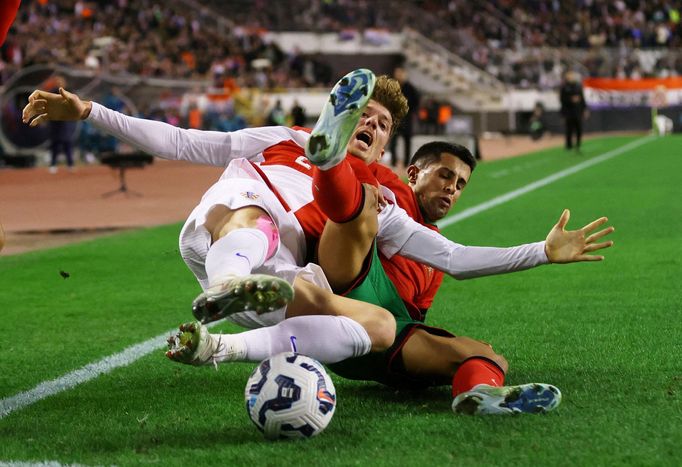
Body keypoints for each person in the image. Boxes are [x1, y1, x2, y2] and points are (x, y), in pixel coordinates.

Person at [23, 70, 613, 415]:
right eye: (365, 114)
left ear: (385, 148)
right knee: (261, 218)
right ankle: (234, 279)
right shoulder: (282, 139)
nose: (375, 126)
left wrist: (542, 251)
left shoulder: (387, 201)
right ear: (341, 115)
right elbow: (181, 141)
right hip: (232, 233)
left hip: (285, 284)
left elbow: (454, 258)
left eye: (384, 125)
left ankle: (217, 348)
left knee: (397, 331)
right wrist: (90, 110)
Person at [388, 66, 420, 170]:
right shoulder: (393, 86)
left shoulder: (410, 88)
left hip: (407, 119)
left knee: (407, 142)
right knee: (393, 142)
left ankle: (407, 163)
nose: (399, 75)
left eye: (401, 73)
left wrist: (408, 111)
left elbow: (416, 102)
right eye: (397, 73)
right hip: (395, 119)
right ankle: (393, 162)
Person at [560, 71, 588, 152]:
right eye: (569, 75)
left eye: (572, 75)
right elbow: (562, 100)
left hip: (577, 111)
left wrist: (585, 109)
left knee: (579, 128)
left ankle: (578, 144)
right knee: (569, 129)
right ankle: (569, 145)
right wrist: (571, 99)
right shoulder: (564, 87)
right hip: (568, 111)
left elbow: (582, 99)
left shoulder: (578, 86)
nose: (571, 77)